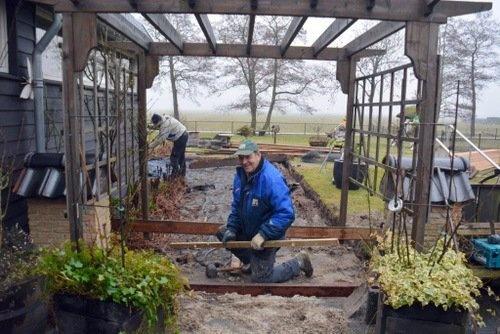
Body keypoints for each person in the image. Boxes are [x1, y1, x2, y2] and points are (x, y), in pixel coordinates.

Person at [216, 139, 313, 283]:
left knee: (262, 278)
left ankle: (299, 262)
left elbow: (286, 213)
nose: (244, 162)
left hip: (268, 235)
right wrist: (232, 228)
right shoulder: (241, 176)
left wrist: (264, 234)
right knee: (223, 233)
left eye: (248, 157)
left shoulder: (271, 179)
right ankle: (253, 262)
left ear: (258, 155)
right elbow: (237, 206)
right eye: (241, 158)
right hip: (250, 231)